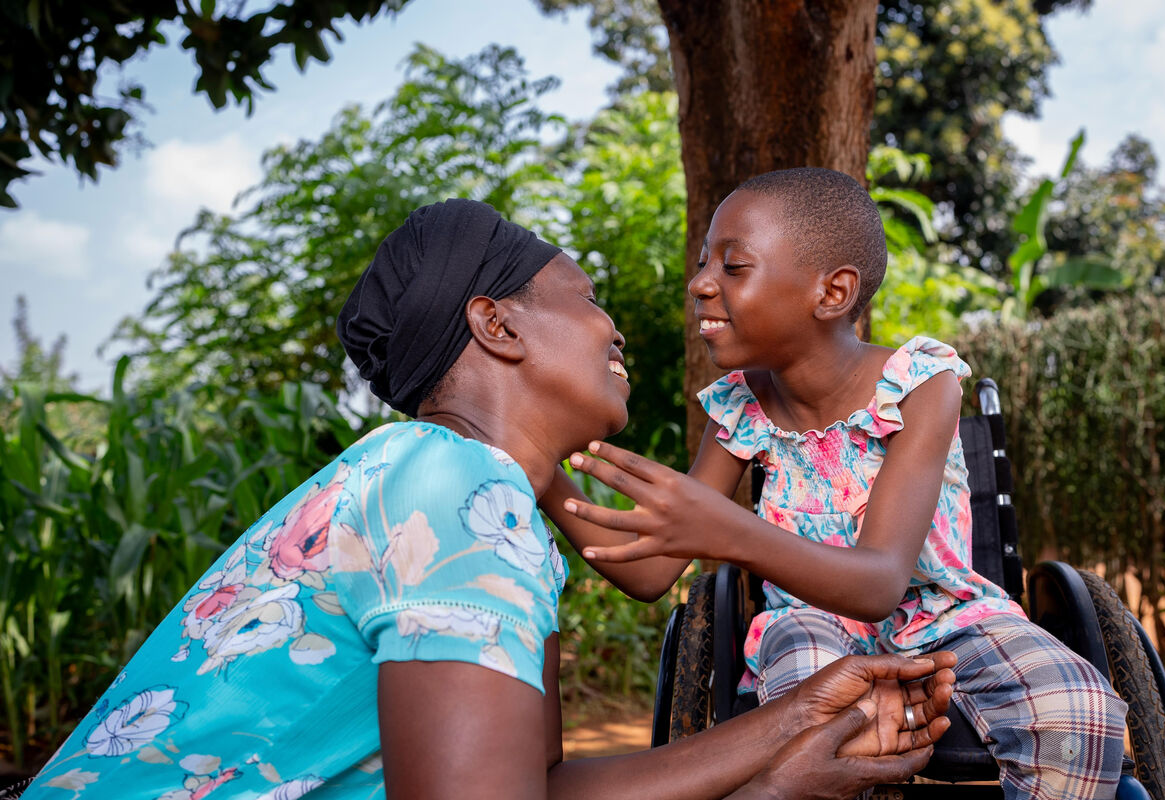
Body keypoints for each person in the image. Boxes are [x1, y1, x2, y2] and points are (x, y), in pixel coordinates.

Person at [21, 199, 956, 800]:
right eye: (585, 296)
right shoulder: (450, 486)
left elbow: (535, 786)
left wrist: (793, 720)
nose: (615, 323)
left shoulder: (469, 499)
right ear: (496, 324)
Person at [550, 168, 1129, 800]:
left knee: (1082, 712)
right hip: (811, 622)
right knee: (811, 705)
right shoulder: (741, 409)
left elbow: (880, 582)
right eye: (702, 263)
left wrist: (729, 529)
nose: (700, 283)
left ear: (832, 292)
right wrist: (540, 471)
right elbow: (650, 576)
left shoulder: (920, 386)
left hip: (947, 619)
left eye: (733, 267)